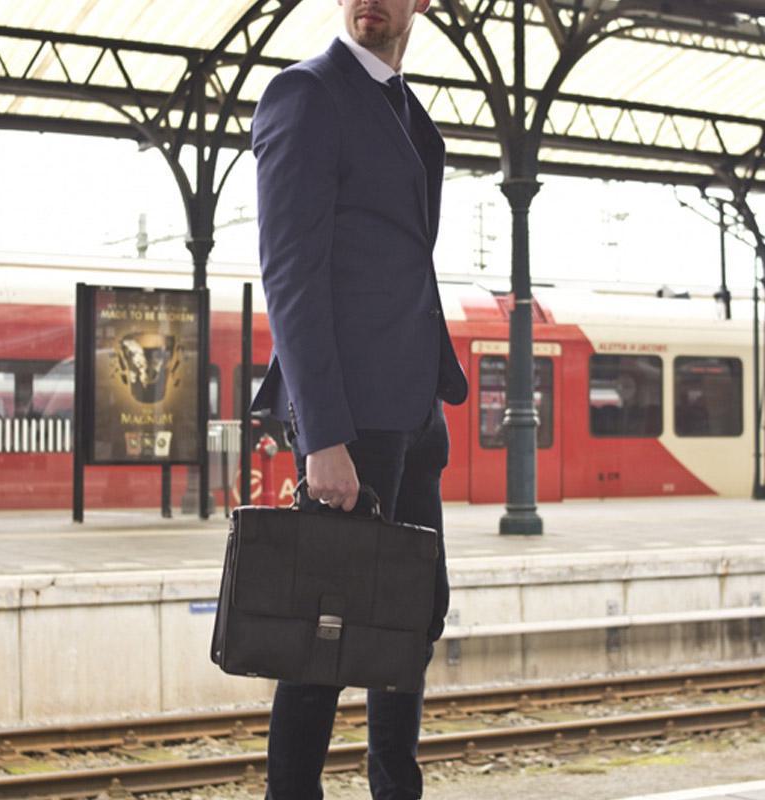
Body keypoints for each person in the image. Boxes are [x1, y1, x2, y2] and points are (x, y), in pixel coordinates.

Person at [250, 0, 468, 795]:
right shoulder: (306, 94)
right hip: (350, 419)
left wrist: (431, 396)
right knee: (323, 640)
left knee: (409, 622)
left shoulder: (413, 118)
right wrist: (322, 436)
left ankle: (396, 788)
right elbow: (290, 273)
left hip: (414, 413)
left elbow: (404, 263)